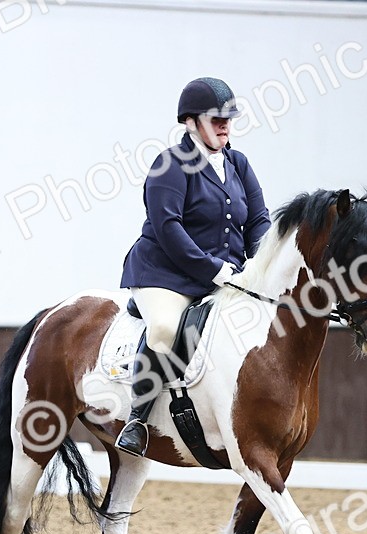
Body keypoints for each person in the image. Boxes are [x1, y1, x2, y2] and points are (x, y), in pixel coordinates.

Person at [116, 77, 272, 457]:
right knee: (167, 329)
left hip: (225, 274)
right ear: (190, 122)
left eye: (228, 118)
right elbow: (169, 229)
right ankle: (137, 420)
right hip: (165, 274)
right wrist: (215, 270)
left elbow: (258, 221)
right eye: (215, 118)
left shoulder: (238, 163)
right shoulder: (169, 164)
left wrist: (265, 261)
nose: (224, 125)